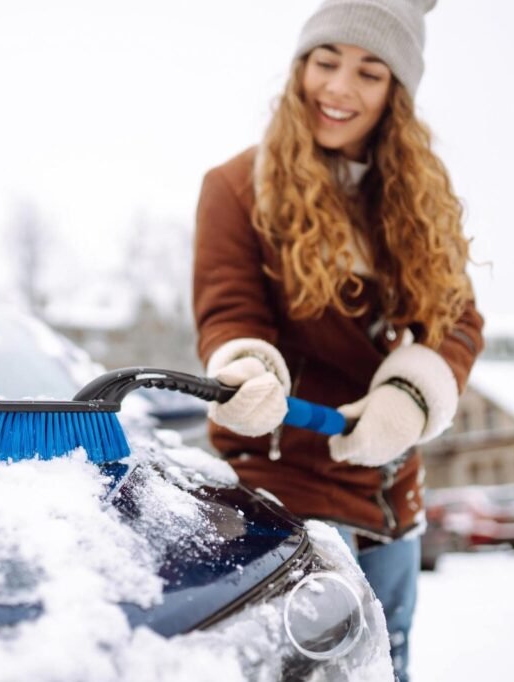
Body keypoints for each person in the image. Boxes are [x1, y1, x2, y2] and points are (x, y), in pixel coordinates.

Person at [191, 1, 483, 679]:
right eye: (326, 62)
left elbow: (459, 318)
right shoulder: (238, 188)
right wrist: (245, 374)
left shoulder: (417, 198)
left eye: (371, 72)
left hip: (393, 498)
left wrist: (410, 397)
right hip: (287, 499)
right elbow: (230, 312)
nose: (340, 88)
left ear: (396, 93)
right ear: (300, 68)